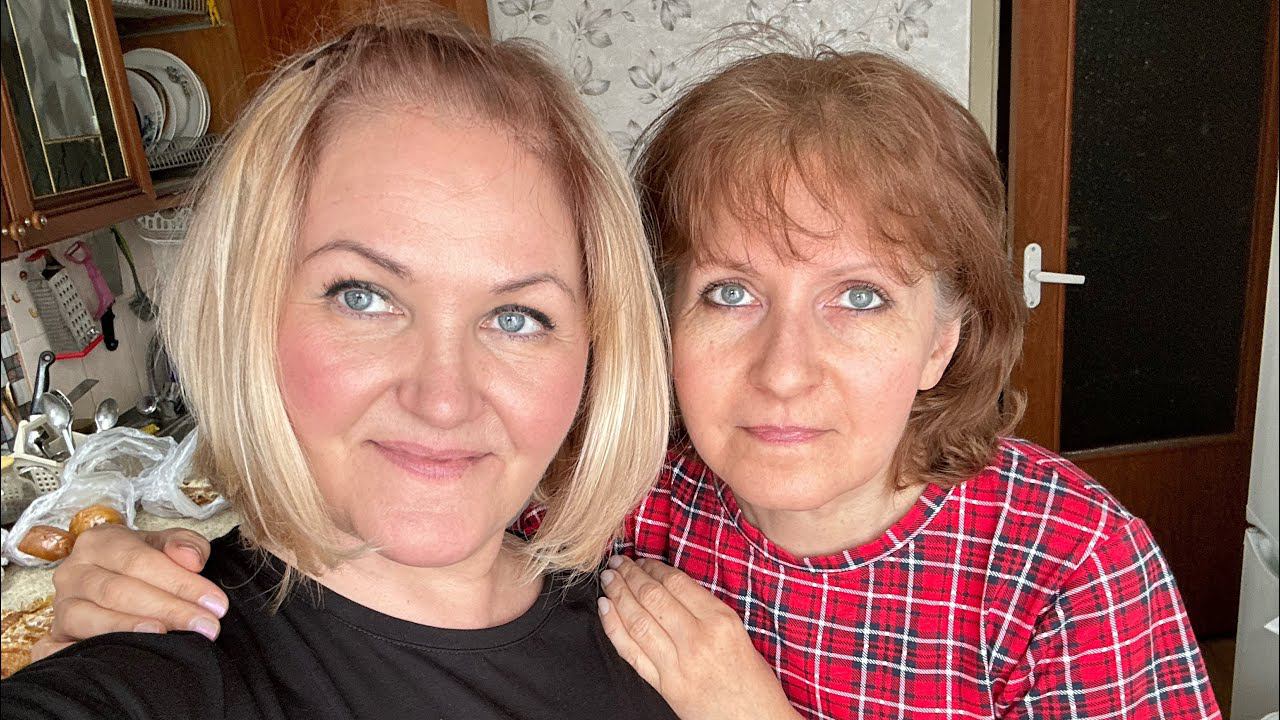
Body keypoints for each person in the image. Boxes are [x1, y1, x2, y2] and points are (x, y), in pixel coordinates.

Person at [26, 43, 1222, 720]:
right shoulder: (631, 502)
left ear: (943, 340)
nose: (783, 369)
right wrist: (148, 577)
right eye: (729, 293)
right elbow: (400, 506)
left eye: (860, 297)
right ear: (656, 320)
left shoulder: (1064, 562)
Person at [1, 12, 678, 720]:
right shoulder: (172, 663)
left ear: (596, 348)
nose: (443, 400)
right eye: (364, 297)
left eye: (516, 317)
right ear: (249, 313)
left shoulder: (661, 637)